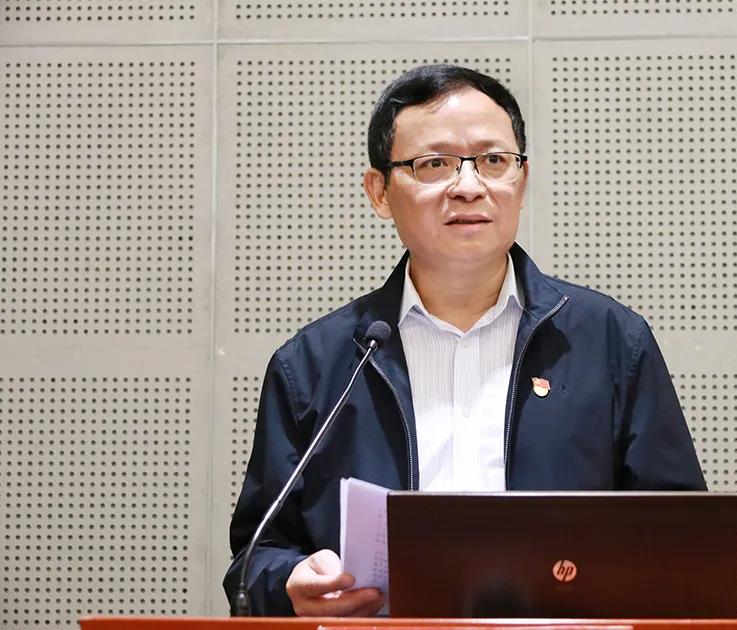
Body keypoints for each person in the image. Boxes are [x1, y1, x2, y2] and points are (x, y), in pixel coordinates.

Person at [224, 64, 706, 617]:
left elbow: (684, 542)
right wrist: (291, 583)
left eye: (494, 161)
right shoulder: (315, 365)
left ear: (522, 180)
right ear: (379, 192)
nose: (470, 187)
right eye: (434, 164)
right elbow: (255, 559)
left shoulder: (612, 343)